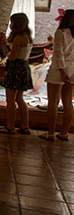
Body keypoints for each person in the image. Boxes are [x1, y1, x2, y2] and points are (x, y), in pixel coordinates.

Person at [40, 9, 74, 141]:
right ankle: (64, 133)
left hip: (60, 69)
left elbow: (58, 53)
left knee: (53, 102)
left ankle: (50, 133)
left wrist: (62, 71)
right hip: (73, 68)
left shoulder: (61, 32)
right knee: (68, 102)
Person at [0, 13, 33, 134]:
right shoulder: (28, 36)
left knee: (10, 99)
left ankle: (10, 126)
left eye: (11, 22)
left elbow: (12, 57)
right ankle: (25, 125)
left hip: (16, 67)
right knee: (20, 98)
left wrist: (5, 52)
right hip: (24, 66)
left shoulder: (19, 38)